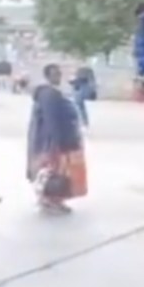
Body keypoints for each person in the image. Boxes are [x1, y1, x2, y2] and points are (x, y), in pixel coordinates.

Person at [26, 64, 88, 214]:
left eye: (59, 73)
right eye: (54, 74)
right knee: (54, 172)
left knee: (58, 172)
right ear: (47, 76)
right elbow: (51, 120)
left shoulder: (53, 93)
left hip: (60, 139)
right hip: (56, 141)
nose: (58, 77)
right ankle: (50, 199)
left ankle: (54, 199)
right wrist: (55, 142)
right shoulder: (49, 94)